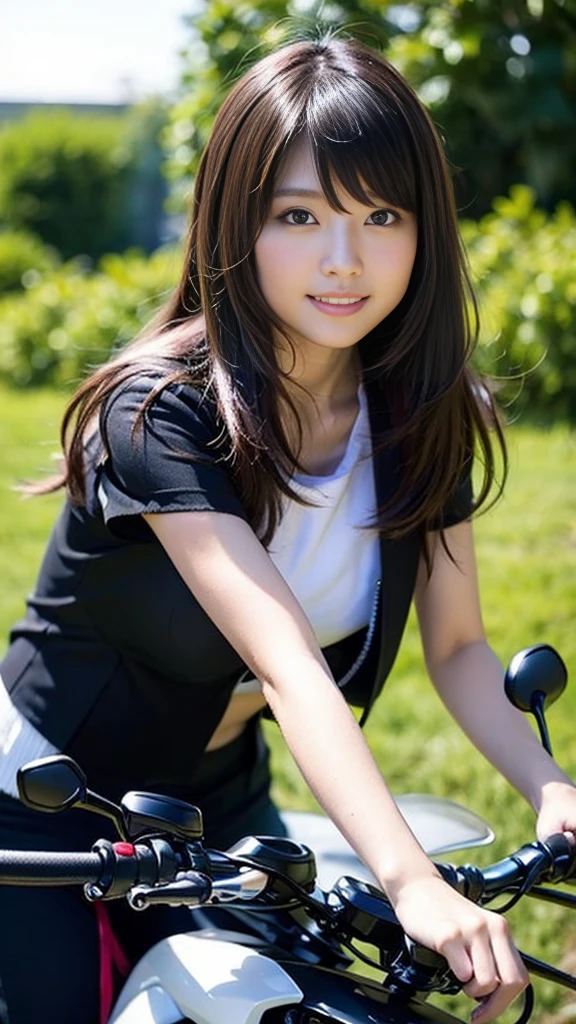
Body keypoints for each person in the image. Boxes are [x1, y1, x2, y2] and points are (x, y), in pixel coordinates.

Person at [0, 34, 575, 1024]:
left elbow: (461, 643)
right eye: (299, 215)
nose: (343, 260)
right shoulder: (155, 413)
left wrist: (552, 785)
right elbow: (287, 664)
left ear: (423, 230)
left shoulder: (426, 412)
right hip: (47, 802)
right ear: (235, 223)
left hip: (216, 800)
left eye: (380, 215)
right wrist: (413, 880)